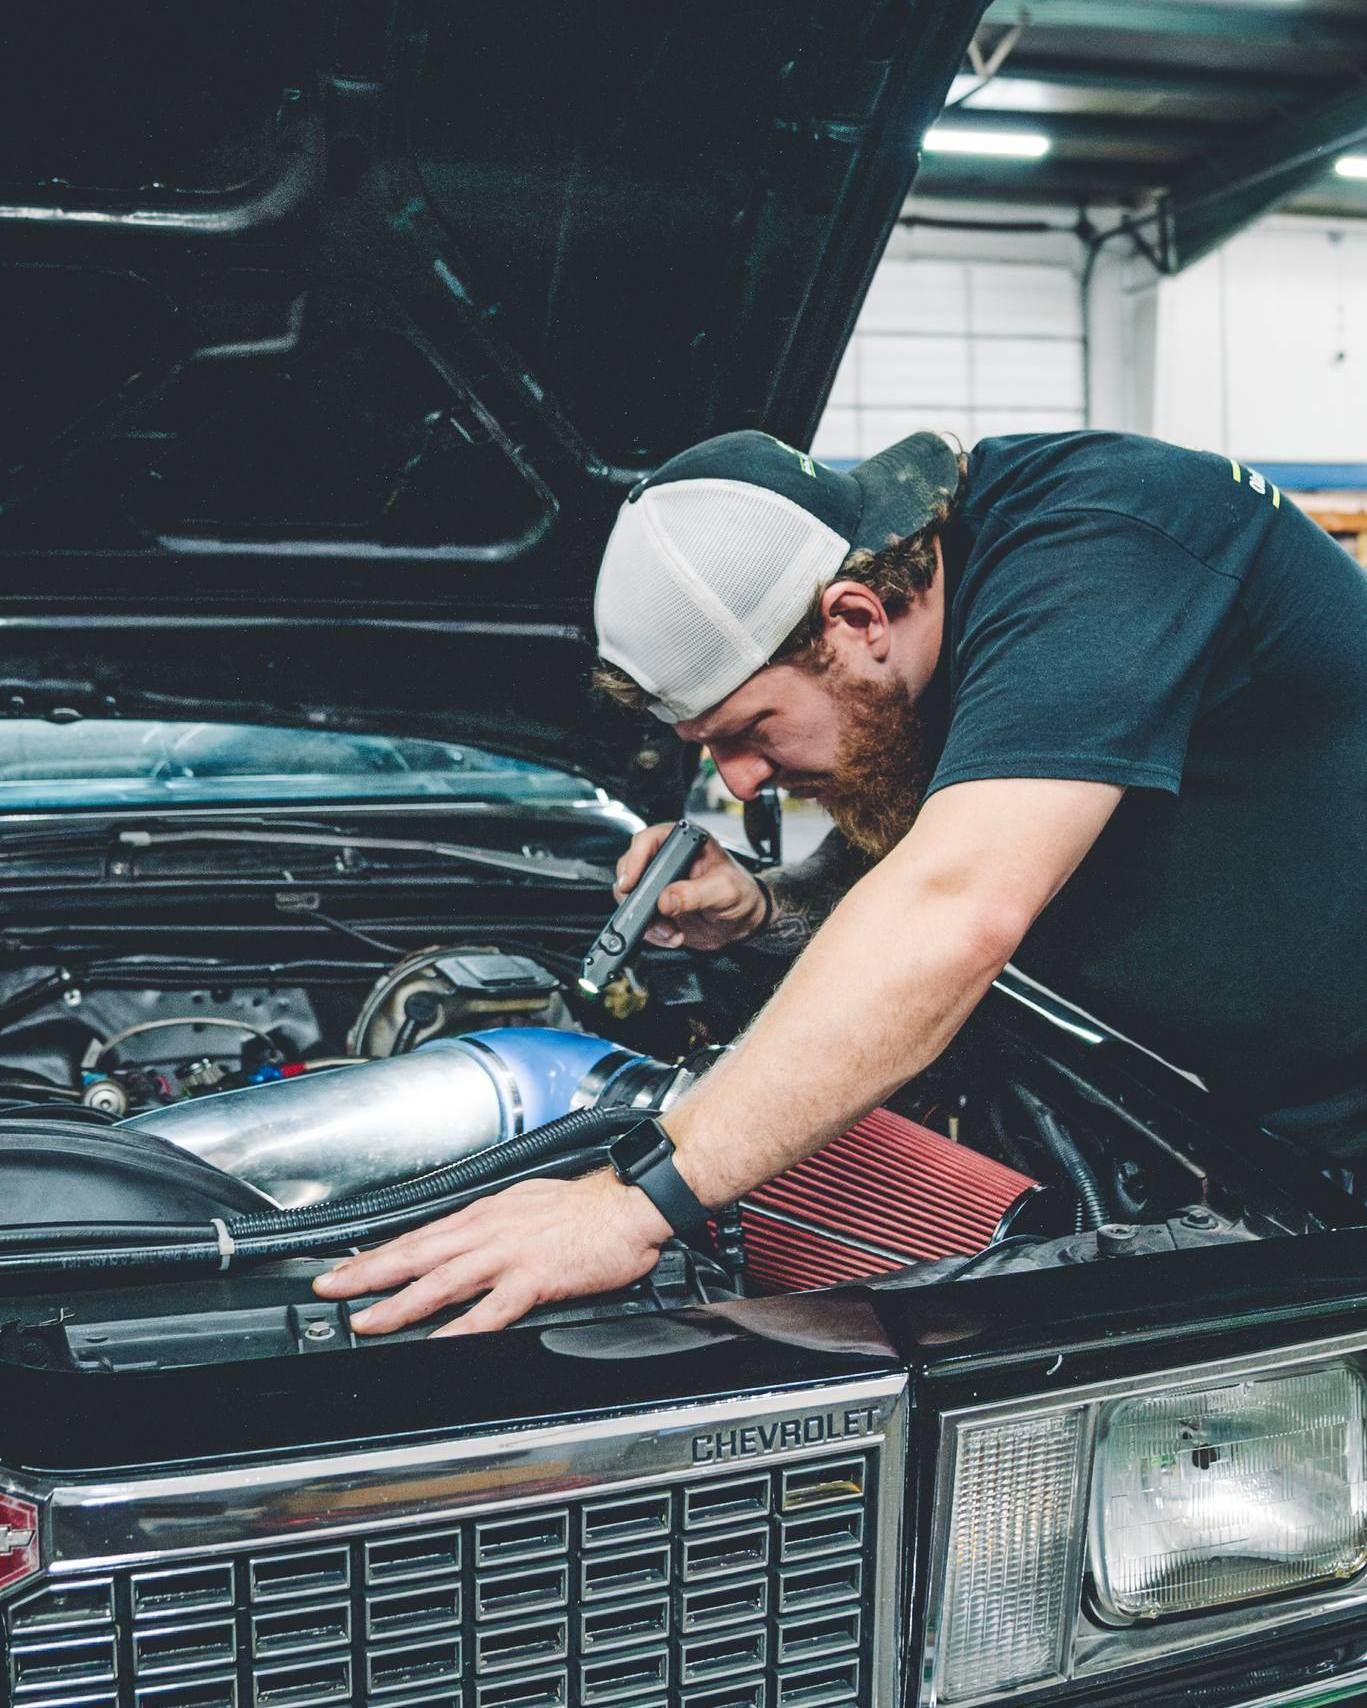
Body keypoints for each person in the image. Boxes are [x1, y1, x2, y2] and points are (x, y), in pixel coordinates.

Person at [315, 427, 1367, 1336]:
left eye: (747, 729)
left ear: (856, 618)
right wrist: (761, 908)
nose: (736, 780)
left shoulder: (1103, 549)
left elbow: (953, 910)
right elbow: (902, 868)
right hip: (1227, 1116)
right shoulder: (920, 655)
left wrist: (633, 1202)